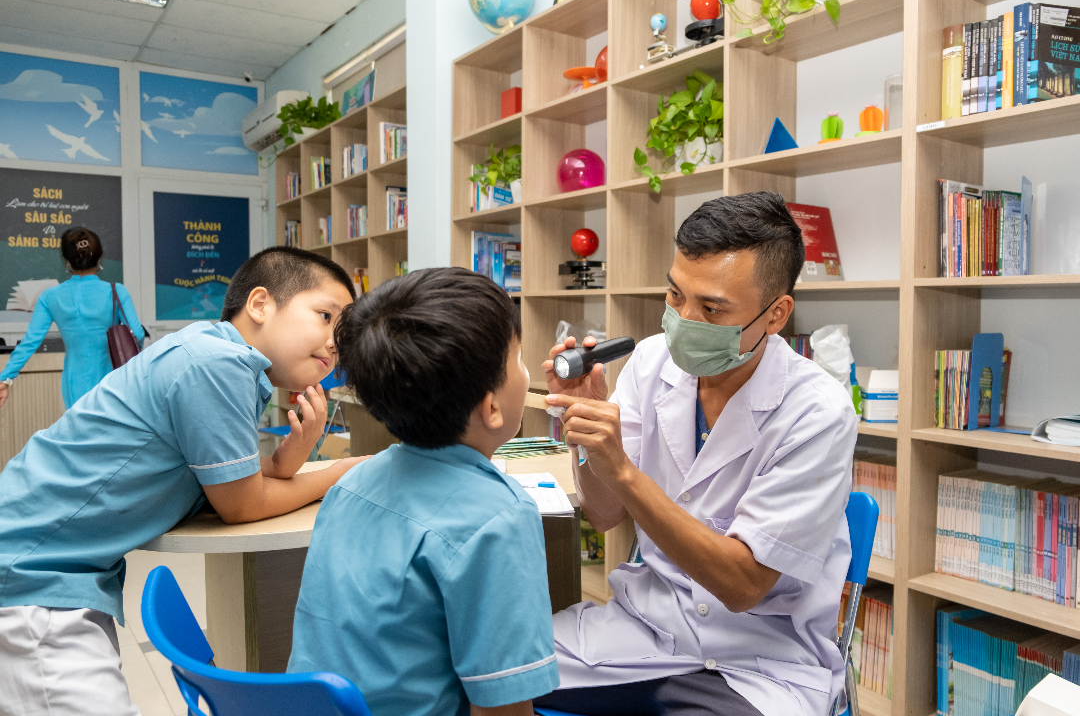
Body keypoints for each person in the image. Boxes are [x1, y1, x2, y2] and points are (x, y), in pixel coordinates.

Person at [0, 247, 367, 716]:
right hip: (33, 578)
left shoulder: (213, 351)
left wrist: (291, 455)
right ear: (260, 304)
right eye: (325, 316)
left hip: (47, 566)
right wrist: (342, 471)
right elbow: (242, 504)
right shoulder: (216, 364)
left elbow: (228, 478)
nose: (335, 342)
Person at [534, 192, 858, 716]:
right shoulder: (650, 362)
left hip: (758, 658)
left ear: (775, 314)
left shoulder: (818, 413)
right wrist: (587, 432)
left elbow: (742, 586)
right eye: (675, 295)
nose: (683, 319)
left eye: (711, 308)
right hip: (644, 628)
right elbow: (605, 512)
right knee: (491, 669)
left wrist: (625, 471)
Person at [288, 268, 559, 716]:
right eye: (519, 360)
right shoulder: (499, 518)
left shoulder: (351, 484)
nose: (528, 374)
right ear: (491, 406)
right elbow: (503, 709)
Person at [0, 227, 146, 410]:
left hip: (73, 384)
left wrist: (5, 378)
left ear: (66, 260)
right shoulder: (116, 291)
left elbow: (30, 342)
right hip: (113, 381)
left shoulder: (49, 297)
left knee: (79, 426)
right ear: (99, 257)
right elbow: (138, 334)